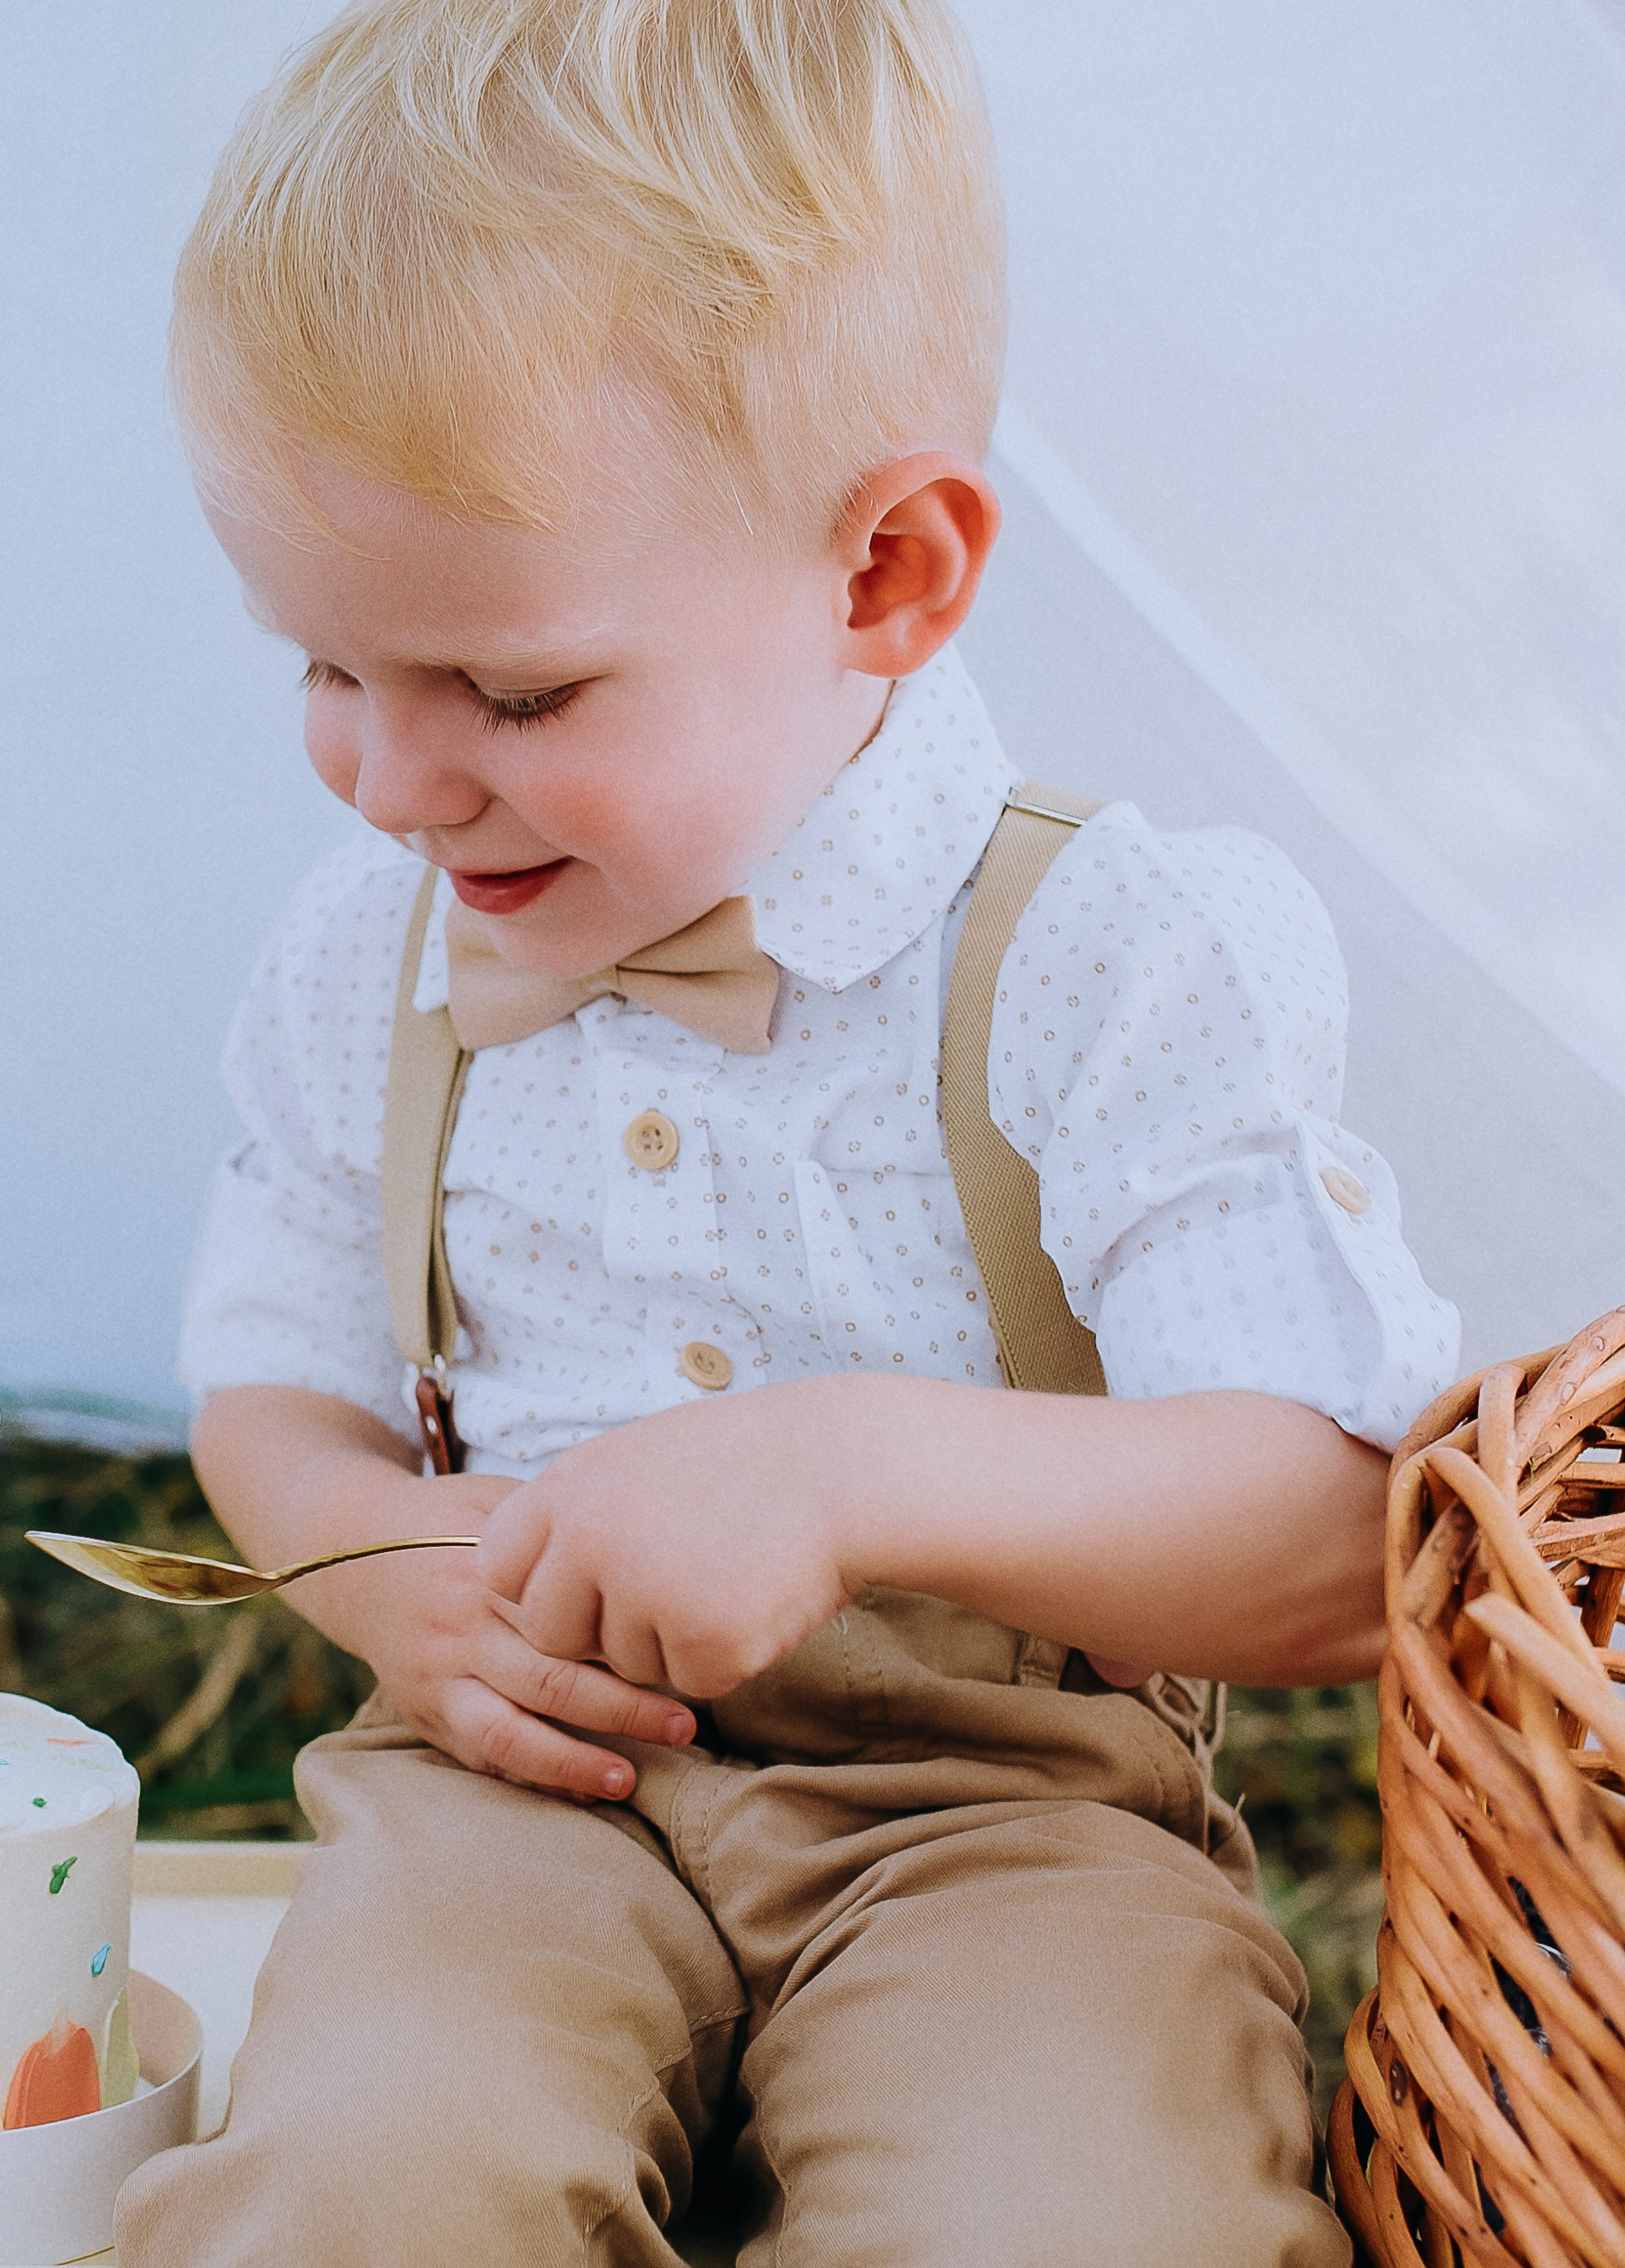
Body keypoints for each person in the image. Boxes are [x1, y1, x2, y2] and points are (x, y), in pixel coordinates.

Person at [117, 3, 1460, 2260]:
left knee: (1073, 2215)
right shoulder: (372, 958)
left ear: (884, 579)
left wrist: (842, 1468)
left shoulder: (1105, 948)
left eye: (512, 691)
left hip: (1003, 1819)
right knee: (367, 2176)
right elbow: (271, 1376)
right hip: (520, 1784)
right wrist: (380, 1568)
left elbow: (1338, 1521)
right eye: (322, 666)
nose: (386, 776)